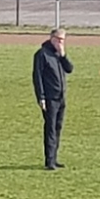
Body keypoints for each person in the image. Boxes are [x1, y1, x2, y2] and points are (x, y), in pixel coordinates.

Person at [32, 28, 74, 170]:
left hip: (60, 97)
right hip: (49, 98)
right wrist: (41, 97)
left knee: (58, 127)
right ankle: (49, 161)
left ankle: (54, 158)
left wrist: (63, 55)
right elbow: (37, 77)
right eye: (59, 39)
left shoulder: (58, 54)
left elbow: (69, 69)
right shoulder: (42, 54)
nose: (61, 42)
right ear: (52, 39)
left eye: (63, 40)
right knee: (50, 128)